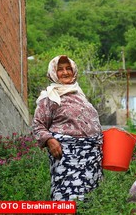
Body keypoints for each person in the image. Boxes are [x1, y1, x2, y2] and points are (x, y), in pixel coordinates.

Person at [32, 55, 103, 201]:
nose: (65, 72)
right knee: (67, 197)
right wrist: (49, 140)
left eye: (68, 68)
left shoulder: (80, 94)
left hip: (91, 157)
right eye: (60, 69)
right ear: (53, 73)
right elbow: (38, 125)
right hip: (67, 155)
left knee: (91, 200)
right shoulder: (49, 97)